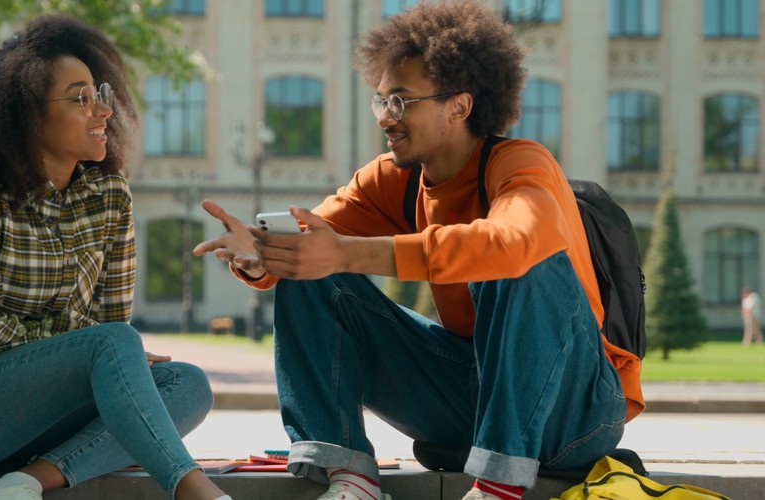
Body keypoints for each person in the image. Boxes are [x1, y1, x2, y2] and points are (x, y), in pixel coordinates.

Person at [193, 2, 640, 499]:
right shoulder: (391, 179)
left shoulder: (521, 166)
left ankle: (496, 486)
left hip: (573, 413)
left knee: (520, 258)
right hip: (469, 399)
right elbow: (316, 246)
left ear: (459, 106)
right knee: (314, 269)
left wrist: (346, 254)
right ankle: (350, 475)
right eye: (381, 101)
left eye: (401, 102)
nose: (386, 118)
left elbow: (513, 244)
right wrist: (260, 254)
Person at [0, 16, 230, 500]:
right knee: (115, 347)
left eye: (99, 92)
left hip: (24, 425)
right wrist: (96, 352)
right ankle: (194, 490)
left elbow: (109, 320)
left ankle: (23, 483)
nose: (103, 110)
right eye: (80, 98)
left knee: (187, 384)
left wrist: (103, 354)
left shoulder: (109, 198)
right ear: (27, 116)